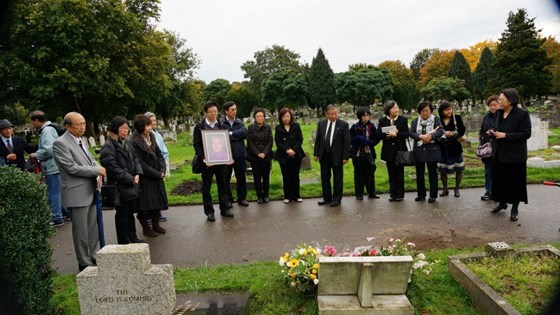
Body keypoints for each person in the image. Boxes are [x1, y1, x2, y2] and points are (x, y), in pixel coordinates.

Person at [53, 112, 105, 272]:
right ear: (67, 126)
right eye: (78, 124)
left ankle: (93, 256)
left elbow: (90, 159)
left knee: (92, 228)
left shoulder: (80, 140)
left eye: (83, 123)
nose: (83, 127)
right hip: (76, 193)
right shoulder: (60, 143)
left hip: (89, 189)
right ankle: (84, 262)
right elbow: (71, 167)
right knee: (81, 230)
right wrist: (96, 170)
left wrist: (97, 169)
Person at [489, 88, 531, 222]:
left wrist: (506, 135)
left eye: (501, 99)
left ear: (510, 100)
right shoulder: (499, 113)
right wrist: (493, 133)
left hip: (515, 155)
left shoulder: (522, 114)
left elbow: (526, 133)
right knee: (499, 180)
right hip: (499, 153)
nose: (499, 102)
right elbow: (498, 129)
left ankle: (515, 208)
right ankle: (502, 203)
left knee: (515, 182)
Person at [100, 116, 143, 244]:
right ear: (115, 129)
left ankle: (133, 238)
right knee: (122, 215)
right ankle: (124, 241)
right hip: (120, 186)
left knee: (130, 214)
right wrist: (130, 178)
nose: (126, 131)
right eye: (123, 128)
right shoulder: (108, 146)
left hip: (131, 184)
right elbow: (112, 167)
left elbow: (136, 159)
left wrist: (137, 173)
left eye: (127, 128)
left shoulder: (127, 142)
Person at [193, 101, 234, 222]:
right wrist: (203, 158)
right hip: (207, 163)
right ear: (205, 113)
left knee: (223, 185)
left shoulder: (222, 125)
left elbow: (226, 143)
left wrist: (228, 157)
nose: (213, 114)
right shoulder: (199, 127)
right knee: (206, 188)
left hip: (221, 162)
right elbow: (197, 145)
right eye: (210, 111)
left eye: (215, 111)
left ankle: (225, 209)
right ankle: (209, 212)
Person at [29, 111, 69, 227]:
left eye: (32, 121)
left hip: (52, 167)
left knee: (53, 193)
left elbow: (49, 150)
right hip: (56, 166)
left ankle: (57, 218)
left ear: (37, 120)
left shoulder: (46, 131)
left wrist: (36, 154)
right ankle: (65, 213)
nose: (32, 124)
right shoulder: (50, 129)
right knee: (57, 192)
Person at [131, 114, 168, 236]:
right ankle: (146, 228)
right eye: (147, 125)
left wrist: (162, 169)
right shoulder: (134, 141)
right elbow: (140, 162)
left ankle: (156, 225)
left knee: (157, 203)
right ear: (141, 127)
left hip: (157, 174)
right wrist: (156, 173)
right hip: (146, 177)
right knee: (145, 205)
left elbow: (159, 154)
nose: (150, 126)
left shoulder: (151, 136)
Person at [313, 104, 351, 207]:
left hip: (337, 155)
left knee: (338, 178)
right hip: (324, 154)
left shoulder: (343, 125)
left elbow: (346, 142)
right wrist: (316, 154)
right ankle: (327, 198)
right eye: (331, 114)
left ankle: (337, 199)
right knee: (325, 177)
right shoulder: (321, 124)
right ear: (326, 114)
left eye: (335, 114)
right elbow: (318, 140)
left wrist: (345, 157)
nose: (333, 116)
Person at [410, 101, 444, 203]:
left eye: (427, 111)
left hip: (432, 149)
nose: (425, 113)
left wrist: (431, 136)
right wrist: (421, 136)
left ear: (431, 111)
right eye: (422, 111)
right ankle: (421, 194)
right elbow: (411, 132)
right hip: (419, 149)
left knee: (432, 173)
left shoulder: (435, 120)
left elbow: (440, 131)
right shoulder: (415, 121)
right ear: (419, 112)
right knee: (419, 173)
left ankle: (433, 195)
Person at [377, 101, 409, 202]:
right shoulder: (382, 121)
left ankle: (400, 194)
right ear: (388, 110)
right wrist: (387, 134)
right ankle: (393, 193)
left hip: (399, 150)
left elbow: (407, 134)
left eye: (397, 107)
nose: (396, 110)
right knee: (391, 173)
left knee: (399, 173)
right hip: (388, 150)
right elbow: (379, 135)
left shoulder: (403, 120)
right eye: (393, 108)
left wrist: (397, 134)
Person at [274, 107, 305, 204]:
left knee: (295, 176)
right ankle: (287, 196)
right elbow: (278, 142)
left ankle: (296, 195)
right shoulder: (278, 128)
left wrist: (294, 150)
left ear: (291, 117)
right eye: (284, 117)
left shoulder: (296, 126)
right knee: (286, 176)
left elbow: (300, 139)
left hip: (296, 154)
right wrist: (287, 150)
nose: (286, 118)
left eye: (287, 116)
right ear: (281, 118)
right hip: (283, 156)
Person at [222, 101, 249, 207]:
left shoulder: (239, 122)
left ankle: (242, 198)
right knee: (226, 179)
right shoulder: (222, 123)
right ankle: (229, 200)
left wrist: (231, 133)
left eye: (235, 109)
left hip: (240, 154)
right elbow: (222, 138)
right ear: (226, 111)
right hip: (226, 155)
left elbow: (244, 133)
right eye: (232, 110)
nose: (234, 111)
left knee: (241, 177)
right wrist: (237, 136)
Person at [436, 101, 466, 198]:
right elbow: (435, 131)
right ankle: (445, 189)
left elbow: (461, 130)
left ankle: (456, 189)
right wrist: (444, 133)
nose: (449, 111)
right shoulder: (438, 120)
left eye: (450, 109)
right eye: (446, 110)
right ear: (441, 111)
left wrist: (452, 134)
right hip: (443, 148)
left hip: (455, 147)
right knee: (443, 170)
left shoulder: (456, 118)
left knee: (458, 169)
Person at [349, 107, 380, 200]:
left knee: (370, 174)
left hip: (369, 154)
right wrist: (358, 139)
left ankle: (372, 193)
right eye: (364, 116)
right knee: (359, 174)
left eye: (368, 115)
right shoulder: (354, 127)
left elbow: (376, 139)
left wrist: (368, 143)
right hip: (358, 154)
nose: (366, 118)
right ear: (360, 117)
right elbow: (350, 140)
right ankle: (359, 194)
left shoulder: (372, 127)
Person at [145, 111, 169, 222]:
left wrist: (163, 167)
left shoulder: (157, 134)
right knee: (150, 193)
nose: (154, 122)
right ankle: (150, 215)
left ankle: (158, 212)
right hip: (151, 168)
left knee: (159, 191)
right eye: (152, 120)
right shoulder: (147, 135)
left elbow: (163, 151)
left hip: (159, 165)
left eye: (155, 120)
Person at [246, 108, 273, 204]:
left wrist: (264, 153)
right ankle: (259, 196)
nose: (259, 118)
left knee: (266, 177)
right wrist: (257, 153)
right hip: (254, 156)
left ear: (264, 117)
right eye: (257, 116)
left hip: (266, 156)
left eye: (261, 116)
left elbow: (270, 141)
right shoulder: (250, 128)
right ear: (254, 118)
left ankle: (266, 195)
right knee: (257, 177)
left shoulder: (268, 127)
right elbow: (250, 142)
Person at [479, 95, 500, 201]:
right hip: (487, 150)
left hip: (499, 149)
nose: (492, 107)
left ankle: (498, 192)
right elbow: (482, 131)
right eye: (490, 105)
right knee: (488, 172)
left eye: (494, 105)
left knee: (498, 172)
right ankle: (488, 191)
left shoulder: (502, 116)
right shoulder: (486, 116)